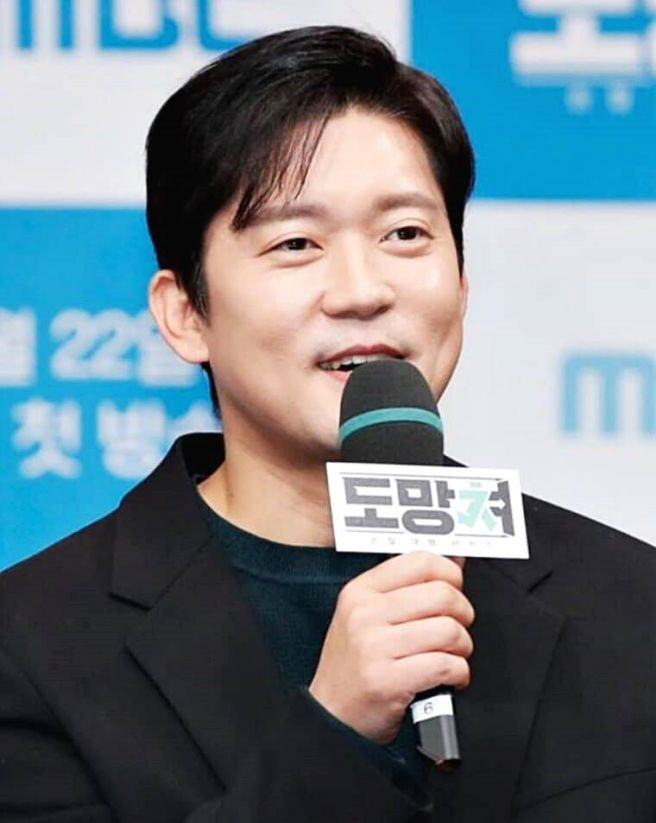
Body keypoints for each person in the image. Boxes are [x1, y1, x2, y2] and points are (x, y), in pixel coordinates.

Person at [1, 25, 655, 823]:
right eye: (296, 242)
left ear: (462, 280)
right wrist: (336, 729)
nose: (361, 290)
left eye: (405, 234)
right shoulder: (32, 644)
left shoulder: (630, 603)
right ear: (186, 313)